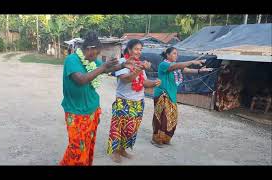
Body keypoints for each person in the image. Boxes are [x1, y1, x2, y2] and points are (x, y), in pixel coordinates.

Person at [59, 31, 135, 166]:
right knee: (76, 147)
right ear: (89, 49)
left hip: (92, 109)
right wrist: (103, 67)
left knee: (88, 144)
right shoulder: (72, 60)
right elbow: (81, 80)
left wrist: (123, 65)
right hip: (76, 111)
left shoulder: (92, 60)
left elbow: (107, 69)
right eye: (96, 53)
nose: (96, 57)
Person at [106, 39, 161, 163]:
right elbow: (126, 79)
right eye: (136, 49)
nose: (138, 52)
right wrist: (139, 68)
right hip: (124, 101)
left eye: (140, 49)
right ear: (129, 49)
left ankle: (122, 149)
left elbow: (144, 82)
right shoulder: (122, 62)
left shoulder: (139, 63)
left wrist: (153, 83)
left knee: (131, 129)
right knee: (118, 128)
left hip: (138, 101)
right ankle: (115, 152)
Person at [151, 47, 213, 147]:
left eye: (177, 54)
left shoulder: (176, 66)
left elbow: (186, 70)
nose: (177, 55)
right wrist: (193, 61)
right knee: (162, 117)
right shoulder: (164, 64)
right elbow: (176, 66)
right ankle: (156, 139)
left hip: (171, 94)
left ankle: (166, 138)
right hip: (162, 94)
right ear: (167, 55)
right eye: (174, 53)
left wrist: (200, 71)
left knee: (172, 117)